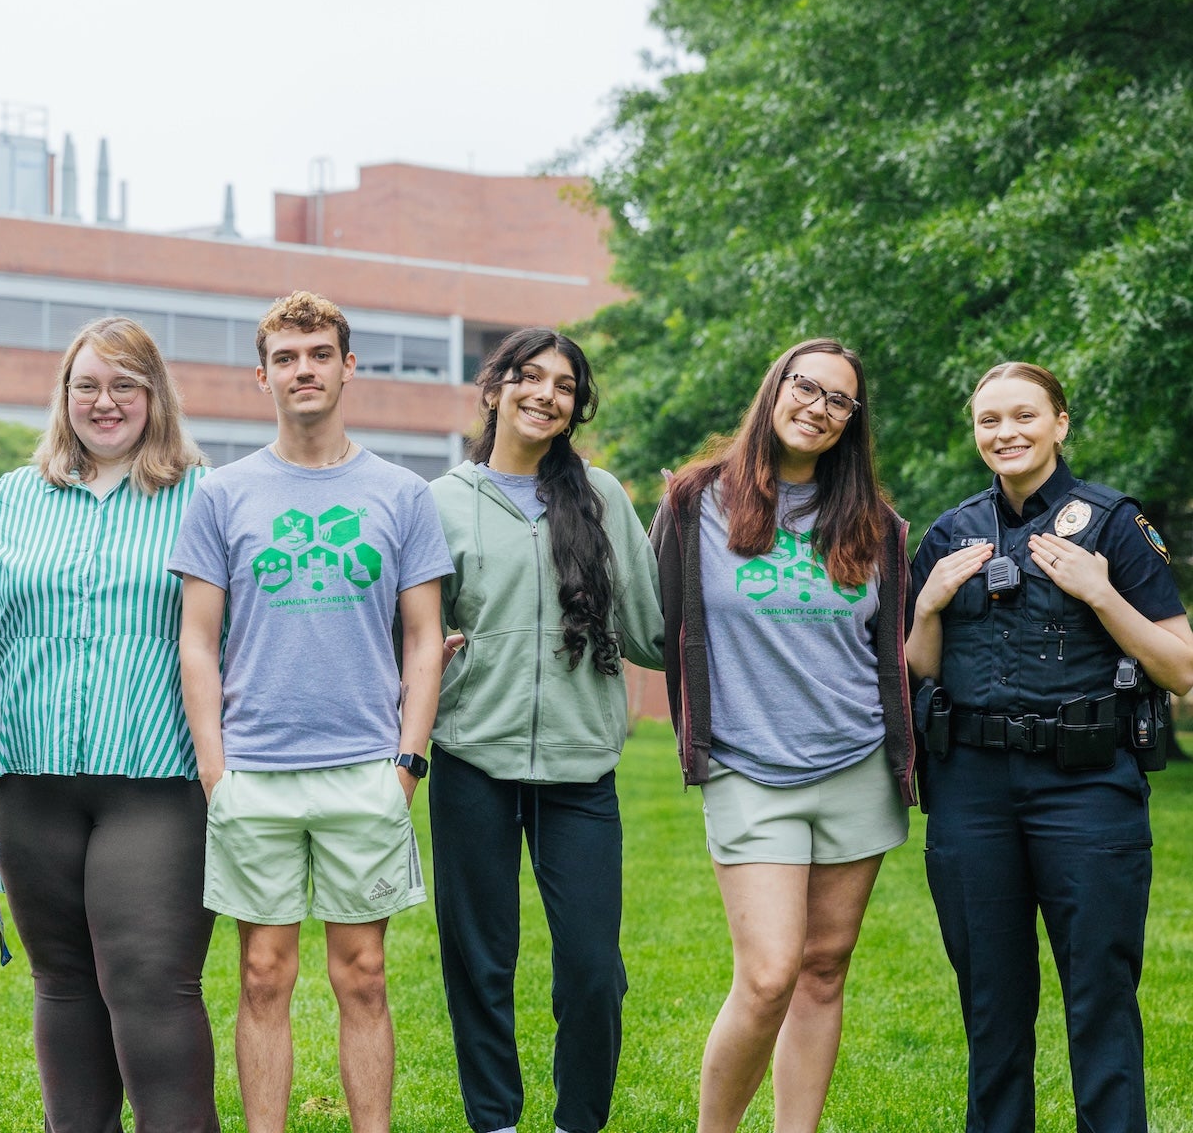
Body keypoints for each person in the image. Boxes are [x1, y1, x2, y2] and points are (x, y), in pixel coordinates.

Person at [170, 290, 452, 1133]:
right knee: (263, 972)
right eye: (286, 358)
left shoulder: (402, 494)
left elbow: (425, 636)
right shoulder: (222, 493)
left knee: (363, 973)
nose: (304, 370)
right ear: (262, 375)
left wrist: (406, 763)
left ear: (347, 366)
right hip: (254, 772)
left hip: (366, 767)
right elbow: (196, 640)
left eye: (319, 354)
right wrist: (216, 772)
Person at [906, 361, 1193, 1133]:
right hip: (971, 788)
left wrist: (1101, 593)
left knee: (1099, 996)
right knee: (991, 1004)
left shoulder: (1113, 523)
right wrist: (928, 606)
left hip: (1087, 785)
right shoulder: (948, 533)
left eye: (1024, 416)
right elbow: (918, 669)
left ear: (1061, 422)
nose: (1006, 433)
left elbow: (1181, 668)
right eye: (988, 420)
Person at [0, 316, 219, 1133]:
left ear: (155, 396)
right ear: (64, 396)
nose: (105, 403)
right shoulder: (13, 496)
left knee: (148, 980)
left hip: (159, 778)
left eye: (124, 387)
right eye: (87, 387)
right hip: (31, 781)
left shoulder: (207, 495)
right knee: (62, 981)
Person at [650, 339, 914, 1133]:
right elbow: (651, 619)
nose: (819, 407)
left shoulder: (878, 526)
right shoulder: (695, 502)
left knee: (824, 969)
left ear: (852, 422)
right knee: (768, 974)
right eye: (807, 387)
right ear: (776, 391)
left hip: (856, 766)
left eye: (840, 400)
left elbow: (894, 651)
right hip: (747, 768)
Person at [427, 328, 664, 1133]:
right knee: (479, 965)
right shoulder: (440, 501)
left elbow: (651, 633)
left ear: (574, 407)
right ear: (494, 389)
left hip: (580, 771)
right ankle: (494, 1120)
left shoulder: (601, 497)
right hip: (470, 762)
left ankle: (579, 1123)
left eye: (564, 386)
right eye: (530, 378)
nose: (546, 395)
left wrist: (708, 551)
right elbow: (411, 634)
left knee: (594, 971)